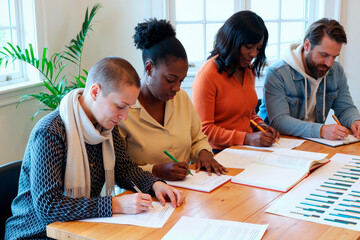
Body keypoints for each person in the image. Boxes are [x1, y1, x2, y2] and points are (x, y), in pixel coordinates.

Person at [5, 57, 185, 239]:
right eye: (120, 106)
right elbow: (49, 206)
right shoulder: (50, 132)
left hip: (78, 228)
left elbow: (123, 168)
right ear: (95, 92)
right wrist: (115, 205)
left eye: (129, 107)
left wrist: (155, 184)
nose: (124, 116)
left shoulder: (107, 127)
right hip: (35, 234)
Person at [118, 19, 227, 181]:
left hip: (184, 190)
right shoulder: (122, 109)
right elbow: (117, 170)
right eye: (170, 79)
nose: (177, 87)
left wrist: (203, 153)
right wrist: (155, 171)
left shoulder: (181, 98)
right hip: (140, 197)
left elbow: (198, 139)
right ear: (149, 68)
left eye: (181, 81)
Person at [258, 18, 360, 140]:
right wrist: (321, 130)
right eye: (324, 55)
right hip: (278, 143)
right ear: (307, 45)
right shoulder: (277, 73)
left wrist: (355, 121)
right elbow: (279, 121)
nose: (329, 63)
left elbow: (345, 108)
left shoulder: (336, 71)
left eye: (334, 57)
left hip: (313, 143)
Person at [192, 11, 279, 153]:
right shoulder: (207, 75)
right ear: (232, 42)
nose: (254, 54)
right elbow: (204, 130)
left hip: (244, 148)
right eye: (249, 47)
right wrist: (246, 138)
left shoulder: (248, 69)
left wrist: (261, 125)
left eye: (258, 48)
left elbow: (247, 114)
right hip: (218, 153)